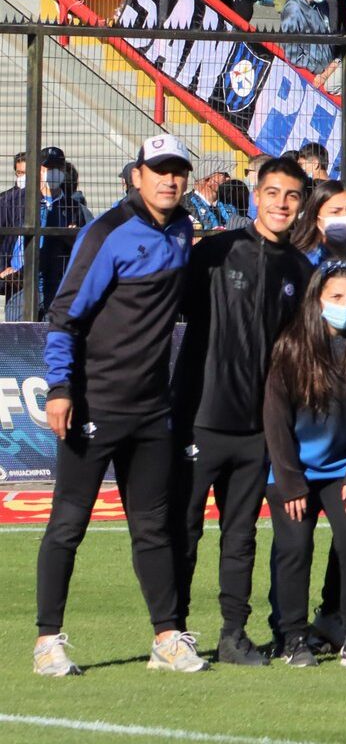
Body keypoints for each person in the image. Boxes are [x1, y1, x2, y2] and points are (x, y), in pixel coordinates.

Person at [33, 135, 205, 677]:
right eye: (159, 171)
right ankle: (46, 643)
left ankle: (168, 638)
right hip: (94, 404)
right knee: (68, 524)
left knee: (155, 528)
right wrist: (61, 389)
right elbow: (63, 316)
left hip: (152, 410)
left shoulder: (182, 229)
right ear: (137, 176)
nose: (169, 180)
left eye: (178, 171)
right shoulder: (105, 232)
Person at [170, 154, 311, 667]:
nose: (281, 203)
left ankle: (234, 633)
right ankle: (174, 632)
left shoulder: (299, 269)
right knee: (183, 530)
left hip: (257, 427)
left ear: (301, 204)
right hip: (199, 418)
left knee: (241, 535)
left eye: (292, 196)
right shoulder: (215, 251)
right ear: (256, 194)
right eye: (273, 193)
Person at [262, 262, 346, 669]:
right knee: (294, 547)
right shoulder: (291, 348)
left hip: (342, 470)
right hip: (292, 469)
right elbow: (276, 421)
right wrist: (290, 481)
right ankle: (293, 636)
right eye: (336, 297)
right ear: (317, 301)